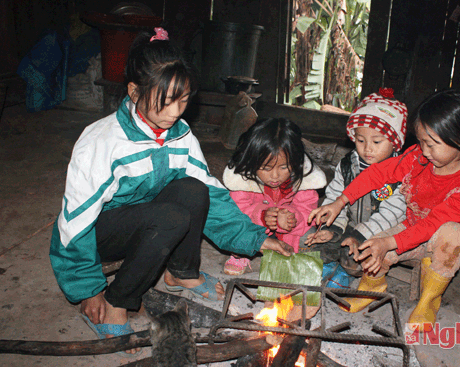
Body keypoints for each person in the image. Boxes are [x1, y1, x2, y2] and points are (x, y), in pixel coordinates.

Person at [49, 27, 292, 355]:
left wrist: (256, 237)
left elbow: (212, 193)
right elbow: (75, 223)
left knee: (195, 190)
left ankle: (182, 273)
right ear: (134, 92)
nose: (175, 112)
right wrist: (88, 289)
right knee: (171, 216)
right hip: (100, 233)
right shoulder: (102, 142)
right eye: (165, 102)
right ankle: (116, 302)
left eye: (183, 100)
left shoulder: (180, 136)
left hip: (152, 223)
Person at [309, 89, 460, 333]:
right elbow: (380, 172)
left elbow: (432, 225)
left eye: (431, 144)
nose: (424, 150)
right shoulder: (420, 157)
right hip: (411, 226)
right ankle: (371, 289)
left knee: (452, 234)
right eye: (421, 142)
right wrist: (341, 201)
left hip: (441, 240)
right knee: (372, 246)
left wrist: (389, 242)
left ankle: (428, 302)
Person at [303, 88, 407, 277]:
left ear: (395, 142)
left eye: (377, 142)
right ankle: (329, 263)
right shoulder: (347, 166)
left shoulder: (401, 174)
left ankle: (344, 272)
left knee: (356, 258)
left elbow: (392, 215)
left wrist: (358, 236)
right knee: (317, 242)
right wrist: (332, 228)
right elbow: (334, 198)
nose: (367, 149)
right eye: (360, 140)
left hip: (379, 230)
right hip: (348, 224)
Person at [222, 117, 327, 275]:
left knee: (310, 236)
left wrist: (293, 217)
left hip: (287, 233)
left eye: (284, 167)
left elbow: (307, 211)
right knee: (234, 225)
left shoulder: (304, 180)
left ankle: (290, 253)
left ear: (296, 161)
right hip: (256, 227)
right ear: (252, 161)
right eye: (266, 168)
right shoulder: (243, 180)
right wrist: (262, 215)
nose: (275, 176)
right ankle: (241, 254)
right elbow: (239, 210)